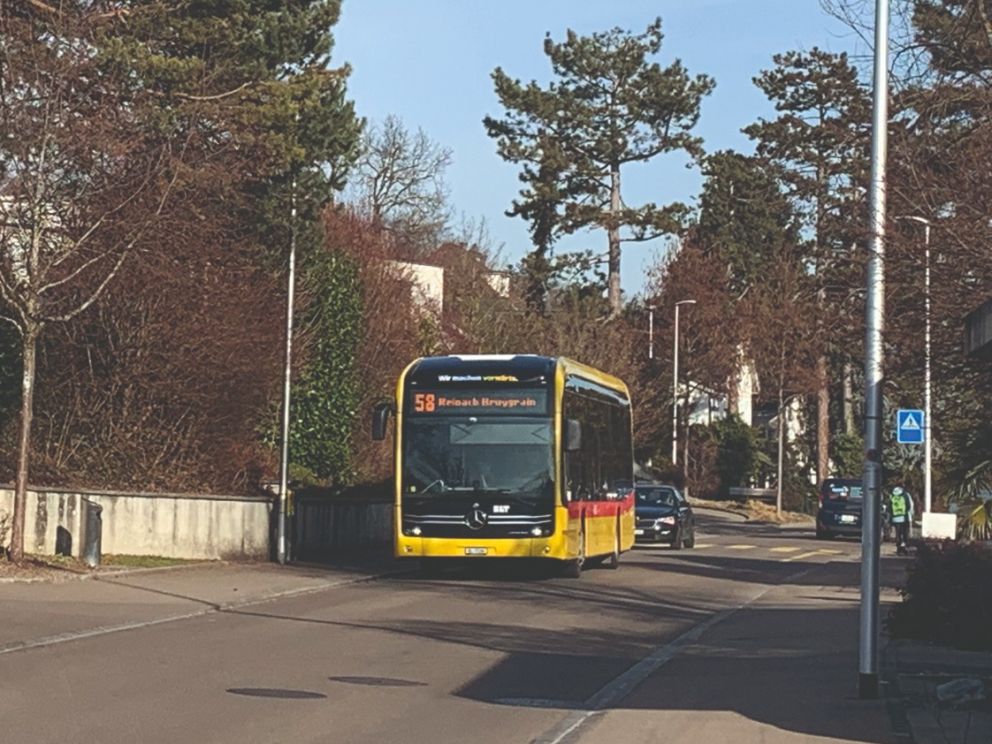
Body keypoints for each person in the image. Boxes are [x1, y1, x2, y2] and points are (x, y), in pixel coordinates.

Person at [889, 486, 914, 555]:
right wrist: (911, 515)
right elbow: (909, 506)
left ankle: (898, 547)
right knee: (905, 532)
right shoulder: (906, 494)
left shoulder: (892, 495)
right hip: (904, 517)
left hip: (895, 518)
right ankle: (904, 545)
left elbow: (889, 507)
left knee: (898, 533)